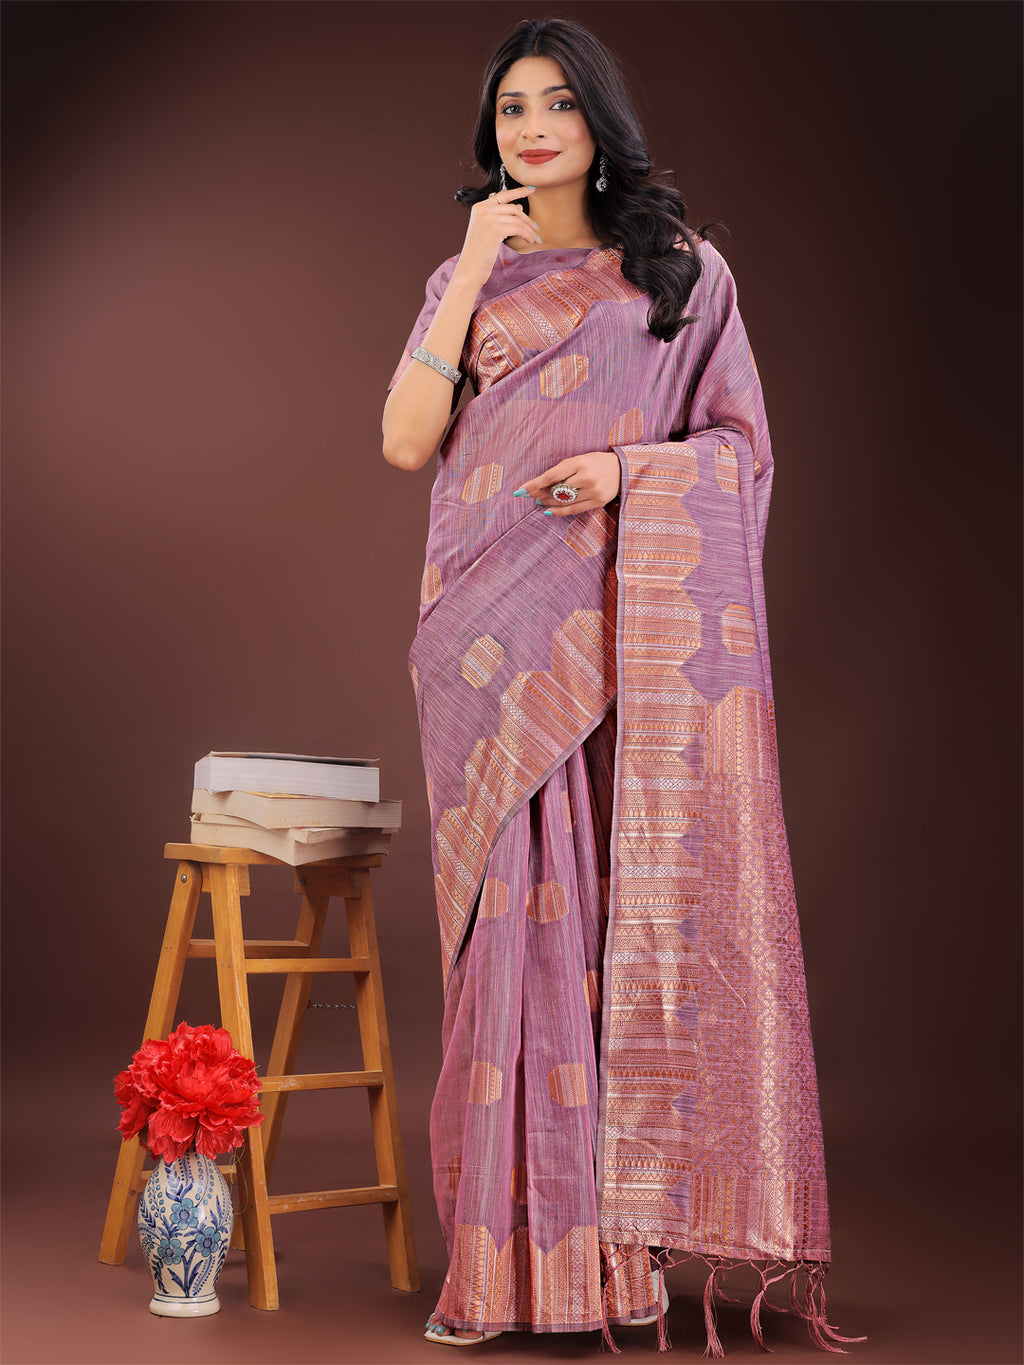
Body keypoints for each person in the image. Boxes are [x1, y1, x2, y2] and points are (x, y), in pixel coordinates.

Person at [382, 16, 865, 1356]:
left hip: (613, 633)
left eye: (557, 105)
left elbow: (739, 448)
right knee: (506, 946)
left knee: (608, 933)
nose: (533, 130)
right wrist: (471, 266)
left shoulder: (683, 275)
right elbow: (407, 440)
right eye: (511, 109)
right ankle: (504, 1269)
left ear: (600, 124)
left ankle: (612, 1262)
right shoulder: (467, 277)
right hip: (483, 641)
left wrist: (623, 475)